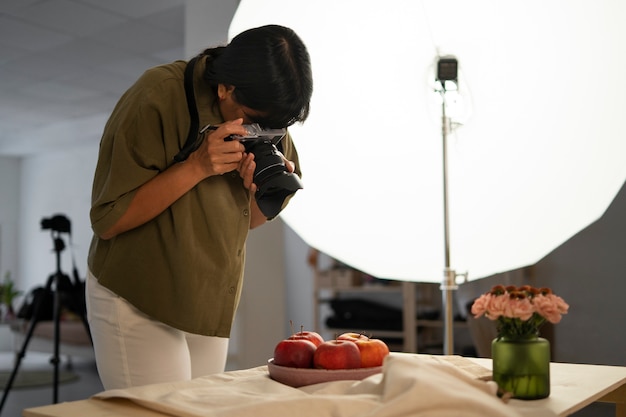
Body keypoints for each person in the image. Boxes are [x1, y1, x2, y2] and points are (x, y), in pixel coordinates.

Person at [86, 24, 313, 390]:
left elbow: (250, 220)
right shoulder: (158, 95)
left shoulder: (267, 116)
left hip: (207, 299)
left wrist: (257, 189)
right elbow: (109, 219)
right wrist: (197, 166)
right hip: (139, 294)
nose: (261, 131)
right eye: (254, 119)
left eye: (273, 127)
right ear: (225, 88)